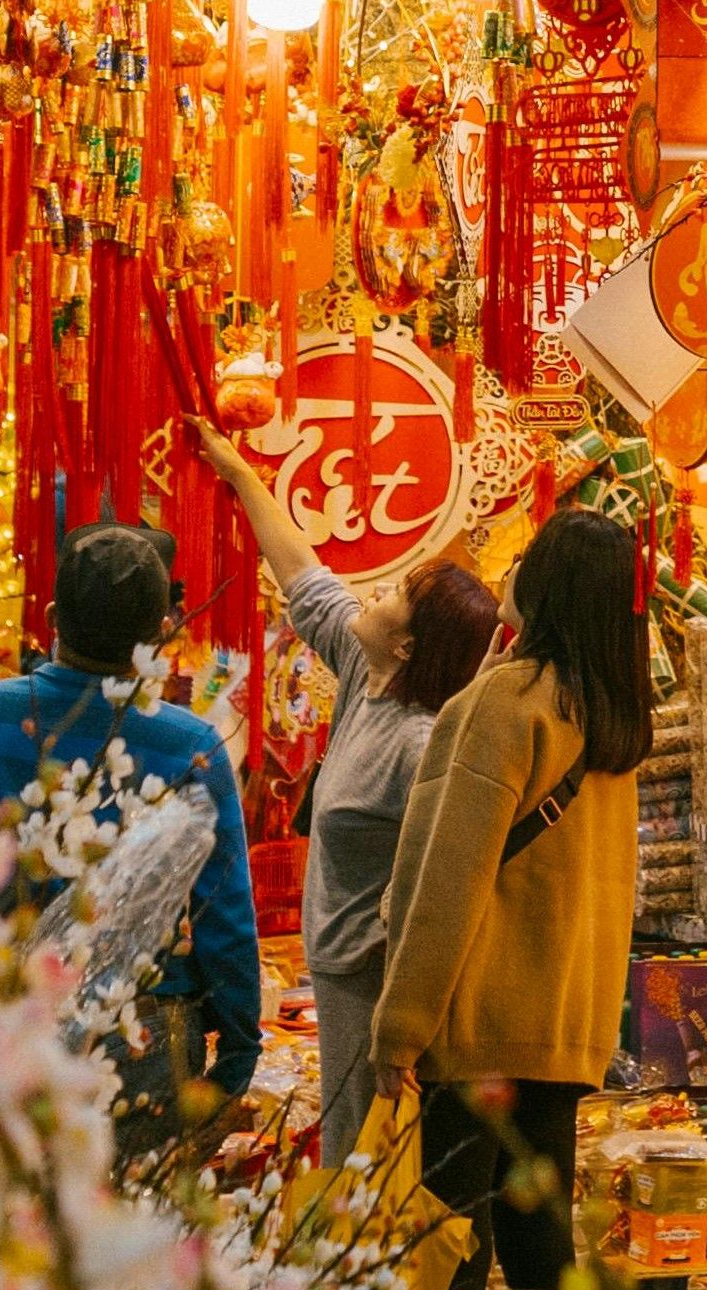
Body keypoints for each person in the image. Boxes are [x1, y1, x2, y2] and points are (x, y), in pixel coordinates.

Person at [361, 502, 654, 1290]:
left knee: (450, 1275)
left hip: (476, 1030)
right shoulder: (617, 722)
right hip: (561, 1036)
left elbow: (447, 884)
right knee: (545, 1280)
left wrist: (402, 1025)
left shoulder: (504, 706)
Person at [184, 414, 504, 1145]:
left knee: (361, 1163)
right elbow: (302, 571)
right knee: (348, 1150)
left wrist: (404, 1020)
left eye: (392, 595)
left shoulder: (423, 747)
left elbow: (442, 888)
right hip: (336, 970)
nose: (371, 597)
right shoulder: (366, 674)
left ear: (408, 642)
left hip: (376, 982)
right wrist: (237, 472)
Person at [0, 523, 260, 1119]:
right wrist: (238, 1051)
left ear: (50, 616)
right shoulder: (192, 747)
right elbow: (224, 910)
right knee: (133, 1207)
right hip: (144, 1027)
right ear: (161, 633)